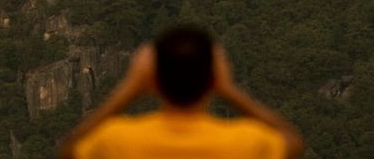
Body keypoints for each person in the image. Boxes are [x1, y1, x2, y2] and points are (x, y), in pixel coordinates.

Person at [59, 26, 305, 159]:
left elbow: (70, 149)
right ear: (212, 81)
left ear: (153, 82)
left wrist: (130, 88)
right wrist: (228, 89)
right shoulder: (246, 142)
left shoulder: (118, 140)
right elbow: (293, 142)